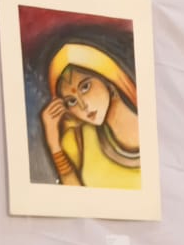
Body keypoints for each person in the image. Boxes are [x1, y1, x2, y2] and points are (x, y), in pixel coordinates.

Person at [41, 41, 142, 189]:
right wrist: (54, 143)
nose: (83, 106)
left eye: (85, 87)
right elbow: (74, 198)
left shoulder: (153, 125)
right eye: (72, 101)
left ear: (106, 78)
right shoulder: (77, 140)